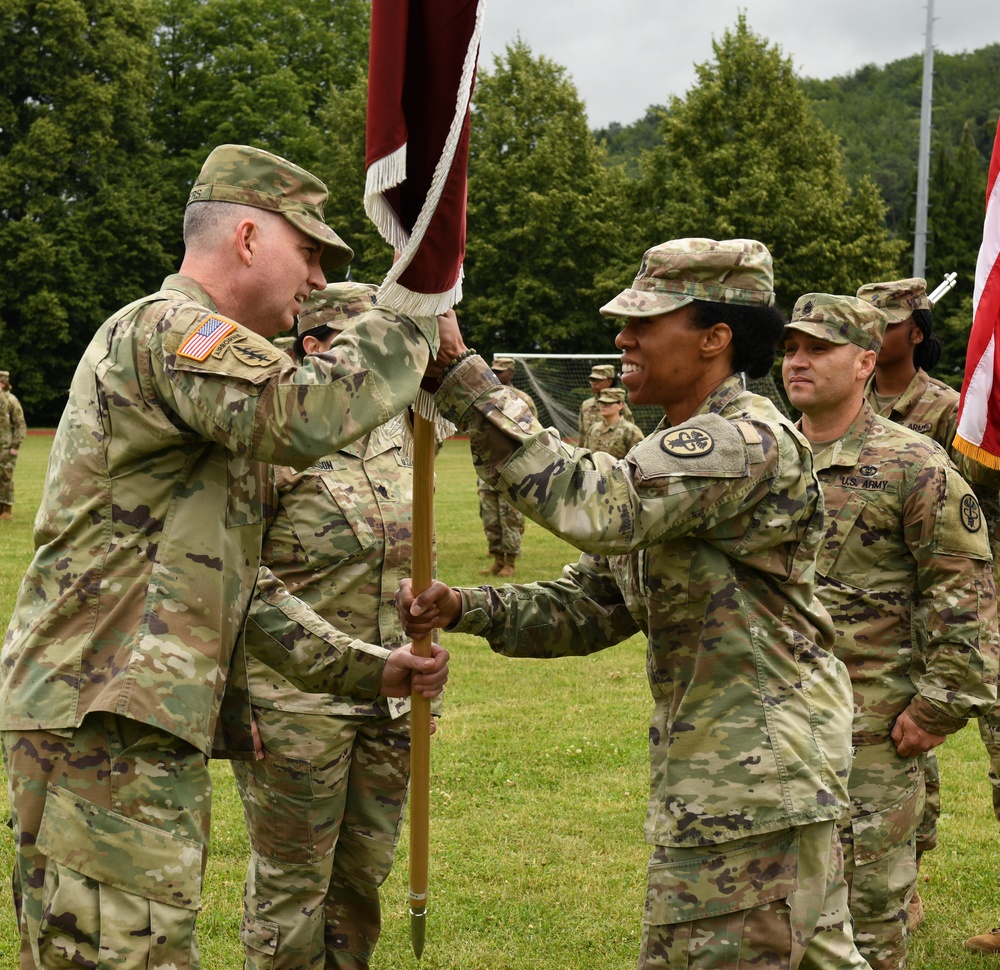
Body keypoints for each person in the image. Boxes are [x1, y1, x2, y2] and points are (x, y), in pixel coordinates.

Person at [0, 143, 452, 970]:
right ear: (247, 237)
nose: (316, 282)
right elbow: (304, 412)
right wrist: (414, 311)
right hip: (101, 717)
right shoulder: (168, 329)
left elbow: (237, 588)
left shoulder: (210, 397)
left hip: (130, 719)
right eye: (309, 251)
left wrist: (366, 669)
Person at [401, 238, 872, 969]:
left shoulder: (742, 440)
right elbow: (594, 601)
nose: (623, 337)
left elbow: (592, 505)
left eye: (647, 322)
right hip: (737, 780)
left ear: (716, 338)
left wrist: (466, 378)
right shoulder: (674, 447)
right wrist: (465, 605)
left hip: (751, 785)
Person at [781, 292, 998, 970]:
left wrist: (937, 705)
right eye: (791, 348)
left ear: (866, 361)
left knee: (869, 931)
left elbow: (965, 596)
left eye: (819, 348)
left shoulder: (914, 463)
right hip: (769, 736)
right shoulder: (764, 456)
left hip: (871, 739)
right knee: (776, 925)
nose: (799, 361)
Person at [232, 281, 443, 970]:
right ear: (315, 347)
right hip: (295, 704)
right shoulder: (273, 439)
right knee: (293, 889)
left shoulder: (402, 433)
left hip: (387, 699)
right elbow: (234, 579)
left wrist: (423, 674)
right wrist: (239, 700)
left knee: (359, 878)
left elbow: (411, 562)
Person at [476, 355, 537, 578]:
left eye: (501, 371)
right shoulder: (484, 398)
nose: (497, 374)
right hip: (487, 468)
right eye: (494, 370)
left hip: (512, 468)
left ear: (511, 373)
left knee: (510, 516)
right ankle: (497, 559)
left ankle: (510, 562)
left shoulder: (522, 400)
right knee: (490, 516)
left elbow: (532, 434)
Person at [582, 385, 644, 458]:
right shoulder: (594, 429)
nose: (603, 406)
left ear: (620, 405)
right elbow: (586, 455)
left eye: (608, 403)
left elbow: (641, 459)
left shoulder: (630, 431)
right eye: (601, 402)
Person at [577, 362, 634, 441]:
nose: (593, 383)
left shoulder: (619, 406)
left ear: (609, 381)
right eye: (592, 380)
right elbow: (582, 434)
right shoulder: (586, 405)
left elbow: (630, 434)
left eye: (598, 380)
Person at [0, 369, 26, 520]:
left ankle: (7, 510)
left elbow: (20, 425)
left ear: (3, 383)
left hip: (8, 447)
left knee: (6, 477)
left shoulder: (12, 401)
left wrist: (15, 446)